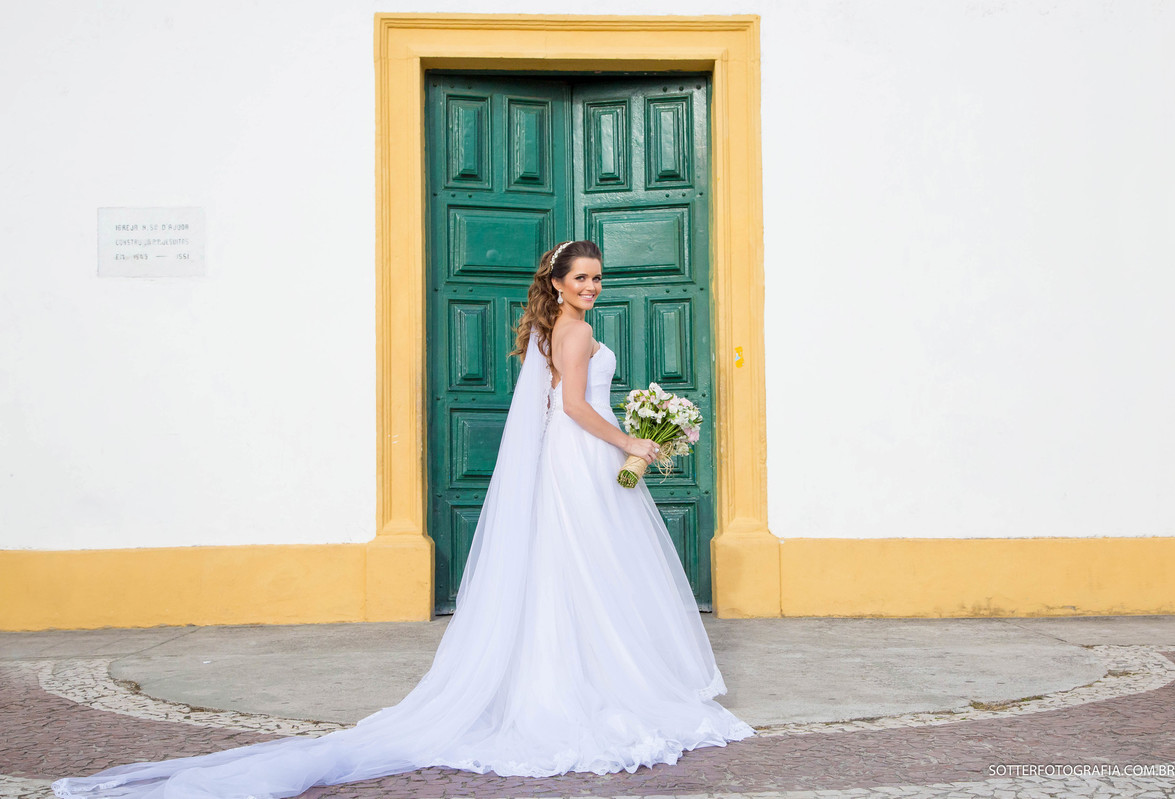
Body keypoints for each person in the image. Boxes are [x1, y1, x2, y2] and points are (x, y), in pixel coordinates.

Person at [52, 239, 754, 799]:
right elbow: (571, 407)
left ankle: (581, 674)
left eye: (597, 278)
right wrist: (632, 440)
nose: (592, 287)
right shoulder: (576, 333)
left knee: (573, 574)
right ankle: (599, 683)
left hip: (569, 462)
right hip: (582, 457)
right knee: (591, 572)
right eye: (582, 279)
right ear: (557, 282)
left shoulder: (551, 330)